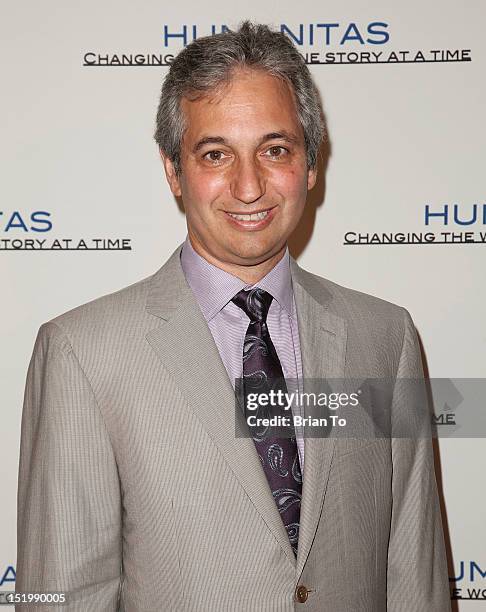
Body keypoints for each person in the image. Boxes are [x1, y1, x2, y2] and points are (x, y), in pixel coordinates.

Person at [16, 21, 451, 611]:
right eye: (216, 154)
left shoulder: (384, 337)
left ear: (311, 164)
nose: (249, 187)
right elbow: (63, 598)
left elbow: (414, 577)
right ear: (173, 171)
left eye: (275, 151)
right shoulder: (83, 353)